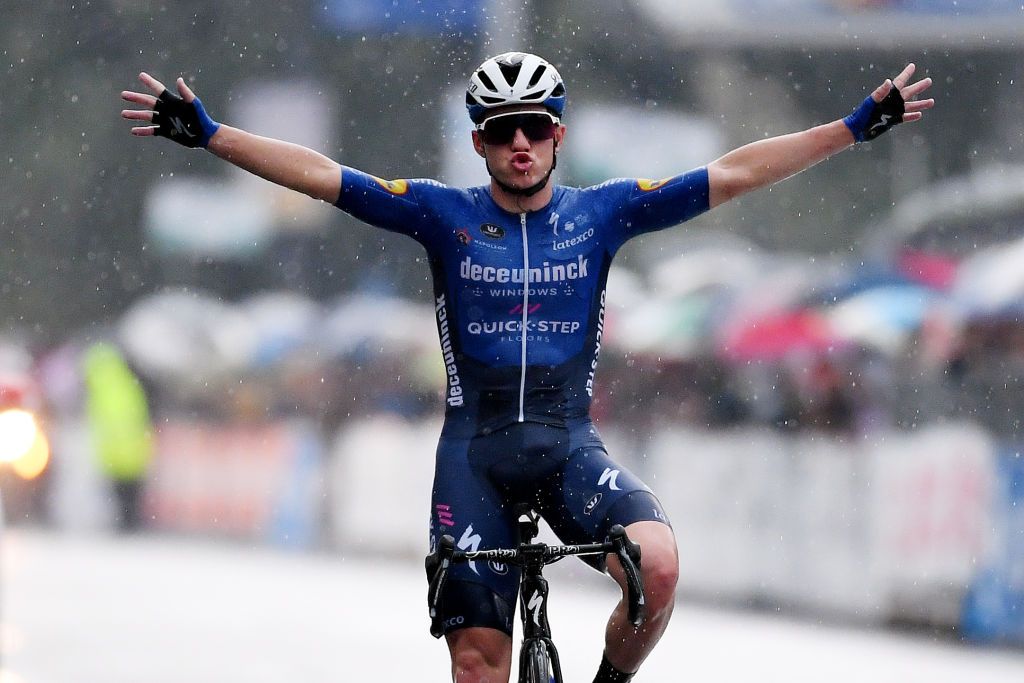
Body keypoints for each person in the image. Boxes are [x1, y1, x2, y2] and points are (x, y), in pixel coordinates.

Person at [121, 52, 933, 682]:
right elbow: (328, 177)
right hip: (473, 453)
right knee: (479, 663)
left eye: (536, 128)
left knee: (659, 564)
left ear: (559, 137)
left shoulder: (604, 211)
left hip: (567, 446)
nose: (519, 143)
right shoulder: (441, 214)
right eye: (503, 129)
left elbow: (738, 171)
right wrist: (215, 133)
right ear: (478, 139)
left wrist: (852, 128)